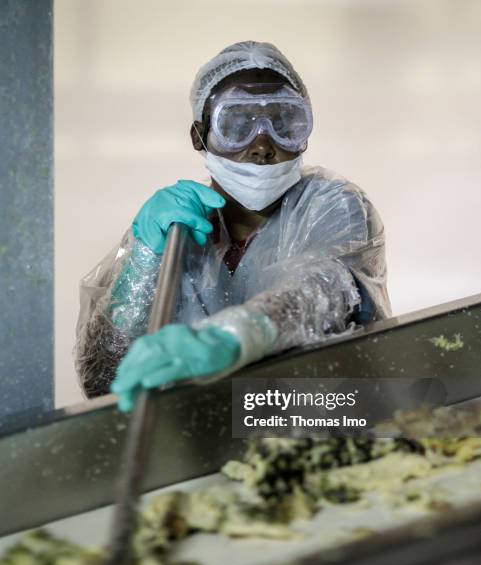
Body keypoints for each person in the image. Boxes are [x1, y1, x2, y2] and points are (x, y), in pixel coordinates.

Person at [75, 41, 391, 412]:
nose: (262, 145)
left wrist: (235, 336)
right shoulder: (173, 231)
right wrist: (144, 261)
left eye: (284, 122)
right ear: (199, 135)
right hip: (198, 437)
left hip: (318, 421)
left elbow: (326, 289)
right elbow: (104, 383)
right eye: (237, 124)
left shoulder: (330, 205)